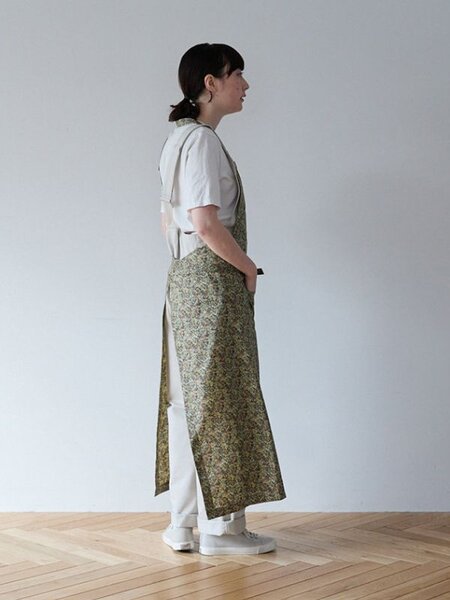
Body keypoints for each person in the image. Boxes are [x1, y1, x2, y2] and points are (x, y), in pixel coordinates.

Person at [154, 43, 286, 556]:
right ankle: (222, 530)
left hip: (182, 280)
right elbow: (206, 223)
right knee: (224, 400)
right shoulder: (204, 143)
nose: (245, 85)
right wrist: (247, 267)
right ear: (210, 83)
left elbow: (168, 223)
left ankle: (182, 524)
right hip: (211, 283)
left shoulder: (176, 140)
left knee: (187, 404)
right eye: (237, 75)